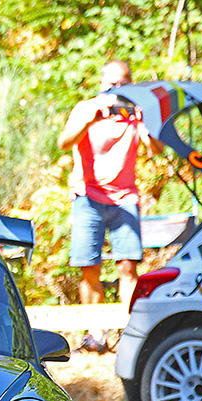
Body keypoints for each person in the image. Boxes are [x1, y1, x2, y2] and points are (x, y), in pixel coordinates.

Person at [58, 60, 162, 354]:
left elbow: (156, 149)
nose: (117, 89)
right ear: (101, 82)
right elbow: (64, 142)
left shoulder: (134, 113)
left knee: (128, 266)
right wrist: (89, 120)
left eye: (123, 83)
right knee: (89, 267)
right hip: (88, 196)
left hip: (125, 198)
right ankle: (95, 335)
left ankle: (130, 332)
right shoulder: (86, 108)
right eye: (112, 83)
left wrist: (147, 120)